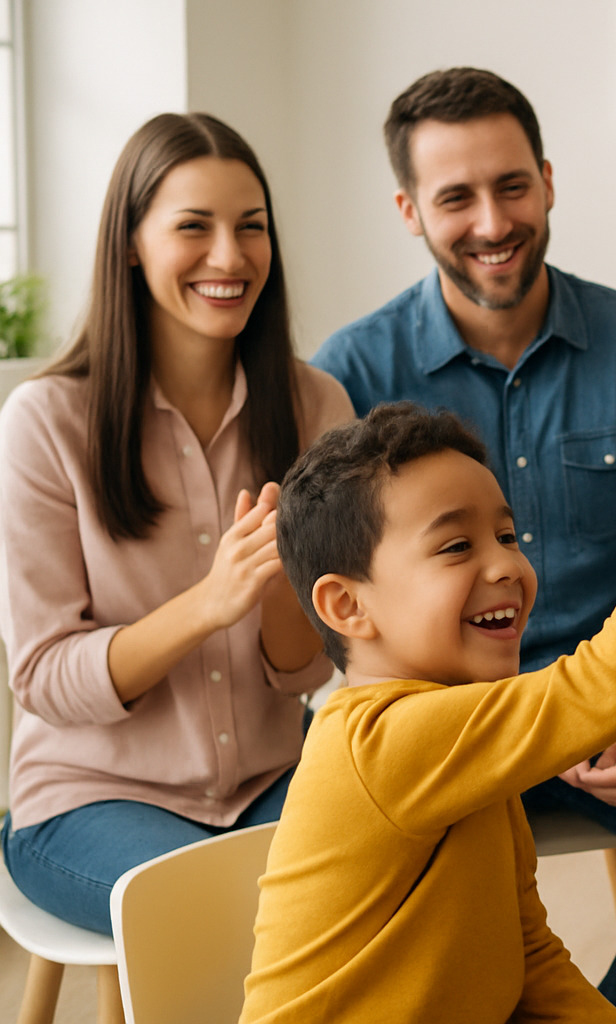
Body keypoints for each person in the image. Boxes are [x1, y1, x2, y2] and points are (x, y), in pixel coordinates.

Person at [310, 67, 616, 1023]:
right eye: (456, 196)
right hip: (442, 721)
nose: (492, 221)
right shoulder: (351, 371)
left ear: (549, 179)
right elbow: (342, 612)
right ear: (409, 209)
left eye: (512, 185)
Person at [242, 291, 616, 1023]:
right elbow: (608, 682)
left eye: (508, 537)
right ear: (347, 606)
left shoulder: (467, 741)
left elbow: (527, 953)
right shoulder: (382, 742)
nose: (505, 566)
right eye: (456, 546)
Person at [0, 113, 354, 934]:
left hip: (272, 777)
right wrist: (211, 601)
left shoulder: (316, 406)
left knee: (401, 869)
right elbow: (45, 677)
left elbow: (310, 672)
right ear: (130, 243)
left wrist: (276, 594)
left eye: (251, 227)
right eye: (193, 227)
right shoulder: (45, 422)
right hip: (88, 803)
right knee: (237, 920)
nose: (230, 257)